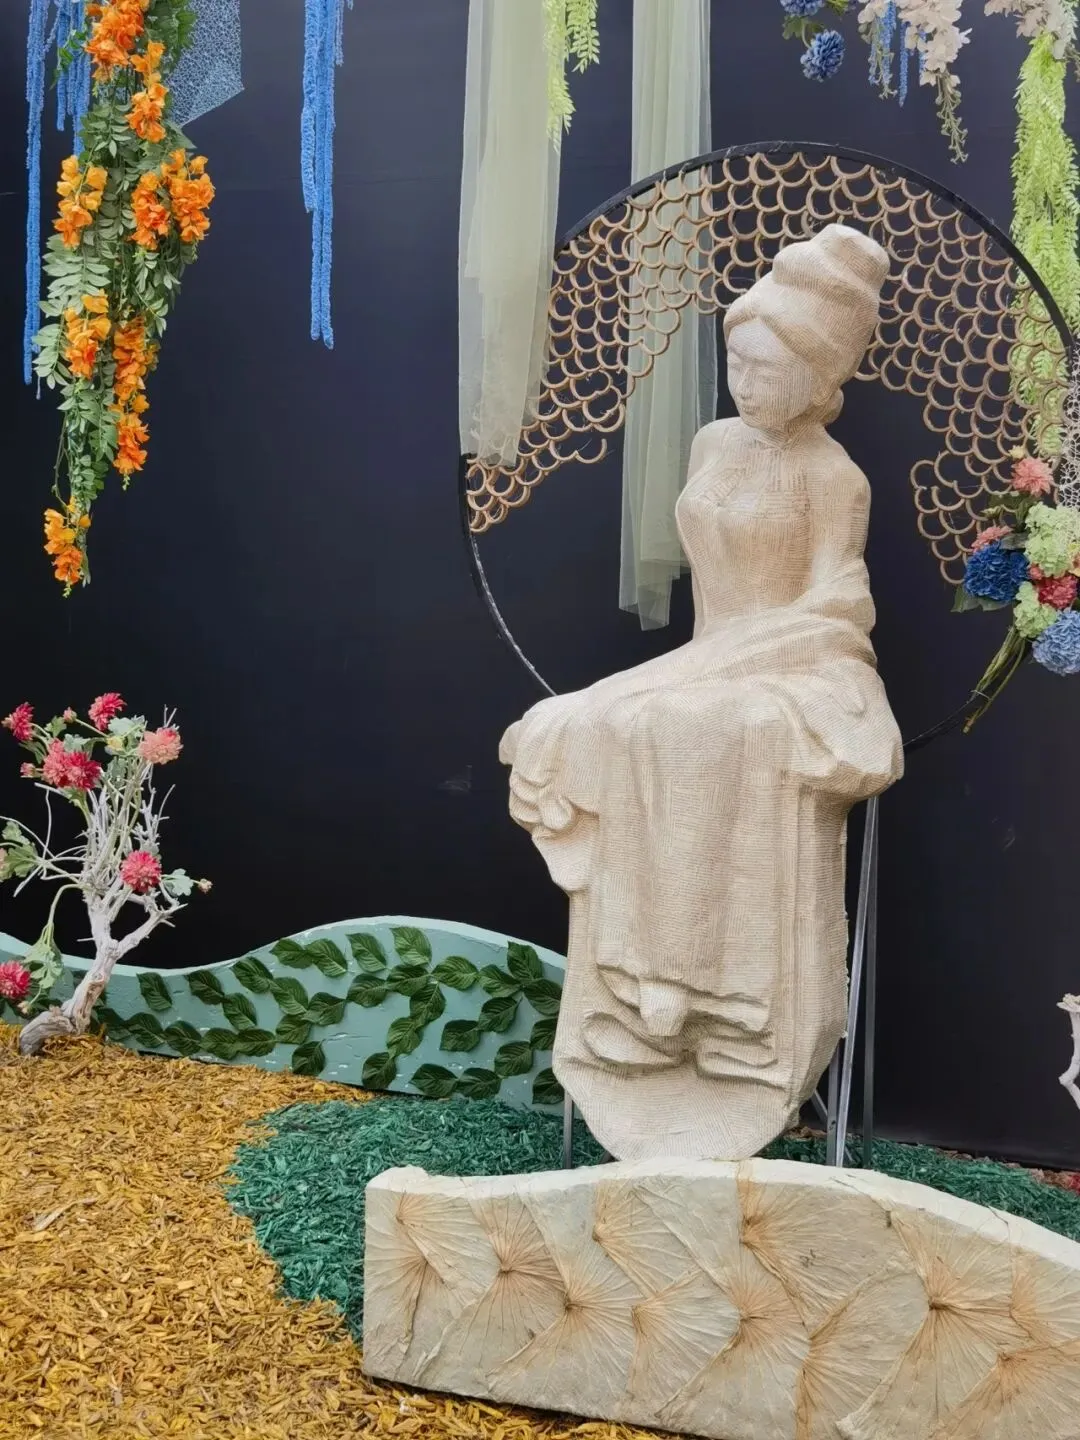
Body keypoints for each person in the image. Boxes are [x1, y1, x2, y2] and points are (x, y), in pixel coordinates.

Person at [501, 223, 903, 1162]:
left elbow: (840, 609)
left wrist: (732, 664)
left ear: (816, 377)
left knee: (706, 730)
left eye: (768, 369)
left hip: (799, 668)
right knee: (631, 727)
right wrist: (694, 667)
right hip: (709, 658)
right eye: (737, 362)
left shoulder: (833, 477)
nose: (745, 383)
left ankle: (724, 999)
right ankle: (637, 984)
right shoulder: (712, 443)